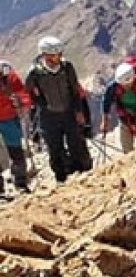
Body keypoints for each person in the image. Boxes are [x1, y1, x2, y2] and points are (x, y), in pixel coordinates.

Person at [25, 37, 92, 183]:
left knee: (76, 143)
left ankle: (83, 173)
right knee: (55, 148)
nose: (59, 57)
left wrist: (79, 111)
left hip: (69, 111)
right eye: (56, 55)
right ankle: (61, 178)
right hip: (48, 116)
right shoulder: (35, 73)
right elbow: (28, 92)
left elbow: (74, 90)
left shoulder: (67, 67)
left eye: (59, 54)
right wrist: (41, 103)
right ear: (46, 55)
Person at [0, 60, 31, 195]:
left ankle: (20, 182)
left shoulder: (10, 76)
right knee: (15, 150)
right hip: (8, 117)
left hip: (9, 117)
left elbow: (22, 93)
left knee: (16, 150)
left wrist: (22, 103)